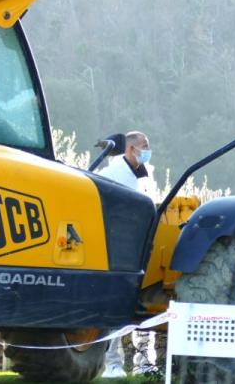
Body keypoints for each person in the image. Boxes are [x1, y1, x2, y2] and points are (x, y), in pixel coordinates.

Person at [96, 131, 152, 378]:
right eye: (144, 146)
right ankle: (111, 363)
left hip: (120, 247)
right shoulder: (118, 174)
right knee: (112, 309)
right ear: (131, 149)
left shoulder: (131, 174)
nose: (148, 150)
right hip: (114, 249)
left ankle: (117, 361)